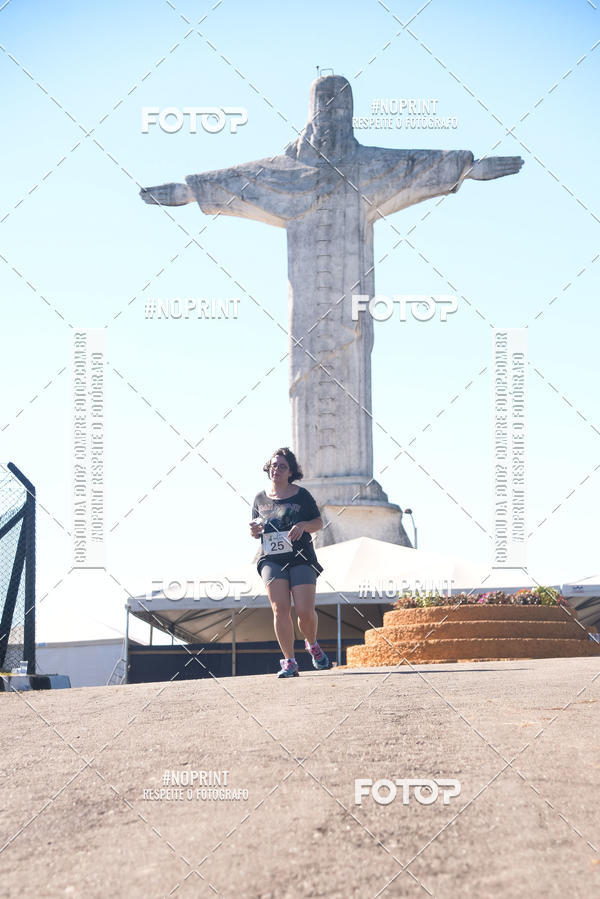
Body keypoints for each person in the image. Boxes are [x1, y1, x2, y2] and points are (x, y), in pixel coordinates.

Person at [250, 447, 330, 678]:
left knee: (304, 612)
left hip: (301, 556)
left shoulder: (301, 495)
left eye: (282, 466)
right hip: (271, 559)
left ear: (291, 472)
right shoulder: (259, 498)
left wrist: (303, 525)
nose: (276, 469)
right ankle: (289, 661)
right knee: (280, 609)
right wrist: (254, 530)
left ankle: (312, 644)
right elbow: (256, 529)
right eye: (273, 465)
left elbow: (318, 522)